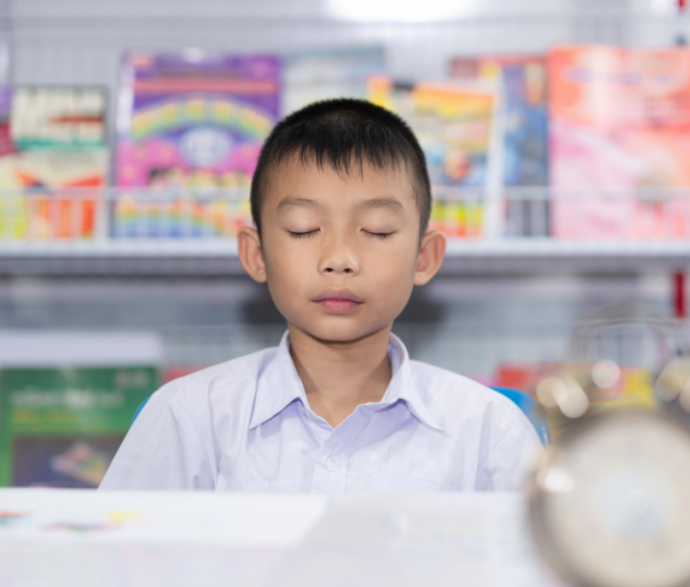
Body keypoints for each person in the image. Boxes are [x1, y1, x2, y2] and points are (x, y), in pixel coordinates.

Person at [100, 99, 542, 492]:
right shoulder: (188, 417)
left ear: (424, 257)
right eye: (303, 230)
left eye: (377, 231)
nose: (339, 258)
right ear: (256, 254)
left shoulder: (488, 431)